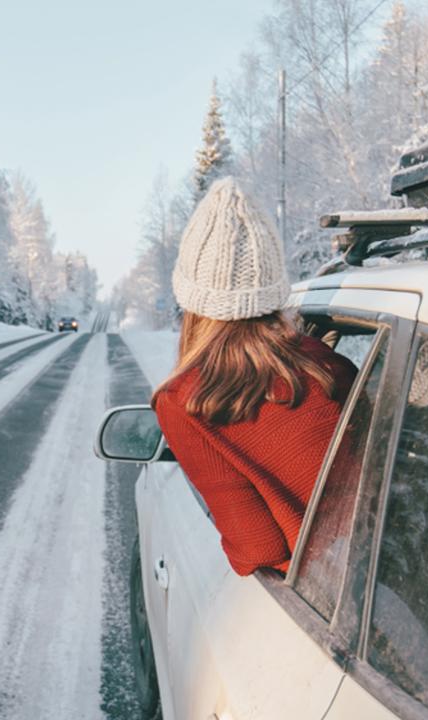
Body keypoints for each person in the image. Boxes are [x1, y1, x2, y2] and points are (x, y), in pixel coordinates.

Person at [152, 178, 357, 577]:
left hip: (321, 588)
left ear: (192, 300)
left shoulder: (184, 402)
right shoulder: (328, 366)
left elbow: (258, 549)